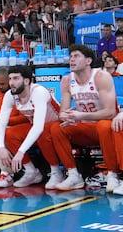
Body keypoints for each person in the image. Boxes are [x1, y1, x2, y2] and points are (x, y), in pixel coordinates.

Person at [49, 44, 120, 191]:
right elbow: (63, 111)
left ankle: (113, 174)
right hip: (86, 128)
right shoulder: (67, 80)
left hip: (108, 127)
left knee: (103, 125)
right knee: (56, 128)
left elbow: (111, 112)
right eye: (70, 57)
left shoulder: (101, 76)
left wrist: (81, 115)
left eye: (76, 56)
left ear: (88, 61)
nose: (72, 60)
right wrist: (66, 116)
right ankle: (73, 174)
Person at [0, 66, 61, 188]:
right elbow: (1, 124)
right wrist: (1, 147)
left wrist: (20, 152)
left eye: (16, 78)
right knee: (9, 133)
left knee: (41, 132)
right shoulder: (10, 95)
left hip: (57, 125)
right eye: (10, 79)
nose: (11, 83)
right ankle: (31, 171)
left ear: (26, 81)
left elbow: (38, 127)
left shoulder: (38, 92)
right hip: (37, 126)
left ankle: (56, 172)